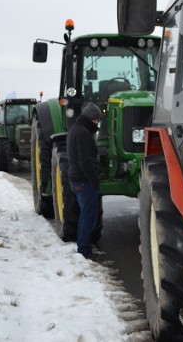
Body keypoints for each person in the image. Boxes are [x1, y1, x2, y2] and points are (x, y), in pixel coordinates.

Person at [67, 102, 102, 259]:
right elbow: (85, 161)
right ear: (90, 119)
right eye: (96, 120)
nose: (97, 123)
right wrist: (94, 180)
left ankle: (83, 248)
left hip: (77, 180)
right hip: (84, 181)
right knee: (89, 217)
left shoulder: (75, 129)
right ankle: (84, 251)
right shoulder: (83, 134)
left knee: (85, 215)